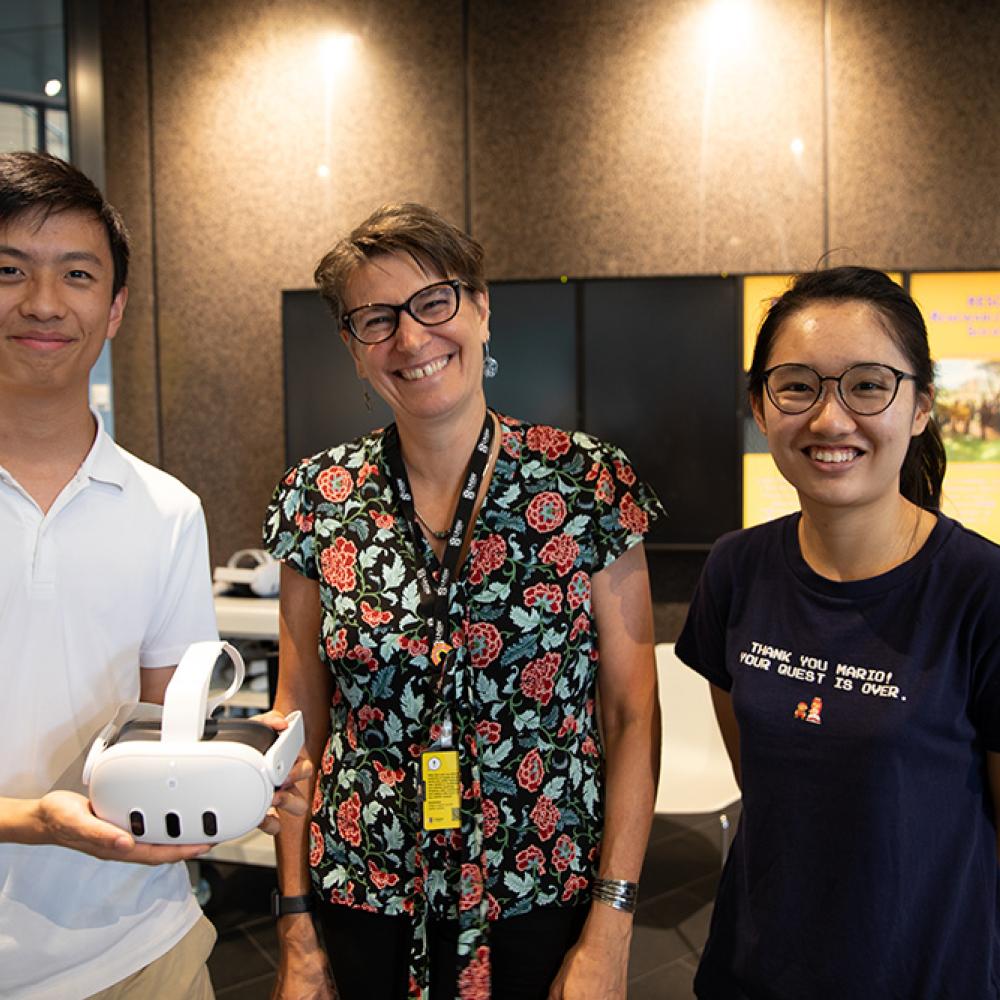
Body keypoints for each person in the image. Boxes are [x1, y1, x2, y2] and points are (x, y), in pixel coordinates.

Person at [264, 203, 662, 999]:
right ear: (352, 347)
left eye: (434, 302)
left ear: (481, 309)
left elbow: (632, 716)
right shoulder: (319, 495)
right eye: (376, 320)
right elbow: (296, 726)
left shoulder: (583, 482)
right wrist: (296, 927)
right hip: (364, 888)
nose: (411, 340)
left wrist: (613, 925)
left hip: (544, 888)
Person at [0, 151, 306, 999]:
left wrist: (242, 778)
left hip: (141, 951)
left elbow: (170, 730)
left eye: (76, 274)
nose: (43, 302)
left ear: (116, 307)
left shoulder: (167, 509)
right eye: (9, 270)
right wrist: (34, 822)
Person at [676, 266, 1000, 998]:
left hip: (923, 975)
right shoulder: (735, 569)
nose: (829, 419)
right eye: (798, 385)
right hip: (754, 969)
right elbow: (759, 779)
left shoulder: (980, 590)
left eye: (867, 384)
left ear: (920, 406)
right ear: (760, 406)